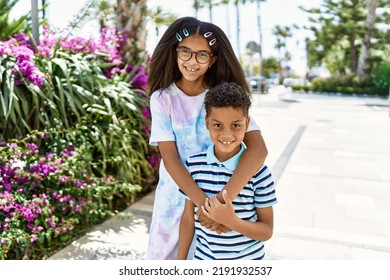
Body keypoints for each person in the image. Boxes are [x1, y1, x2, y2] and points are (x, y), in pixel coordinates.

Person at [147, 16, 268, 260]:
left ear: (212, 60)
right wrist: (205, 206)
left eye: (202, 55)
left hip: (221, 202)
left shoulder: (223, 97)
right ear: (175, 52)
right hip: (174, 205)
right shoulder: (162, 99)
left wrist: (221, 205)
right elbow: (171, 160)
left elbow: (258, 150)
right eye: (186, 52)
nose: (193, 61)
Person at [177, 82, 277, 260]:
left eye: (236, 126)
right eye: (218, 125)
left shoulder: (259, 174)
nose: (226, 134)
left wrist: (232, 221)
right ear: (207, 122)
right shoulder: (194, 166)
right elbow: (187, 220)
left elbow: (266, 231)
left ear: (247, 123)